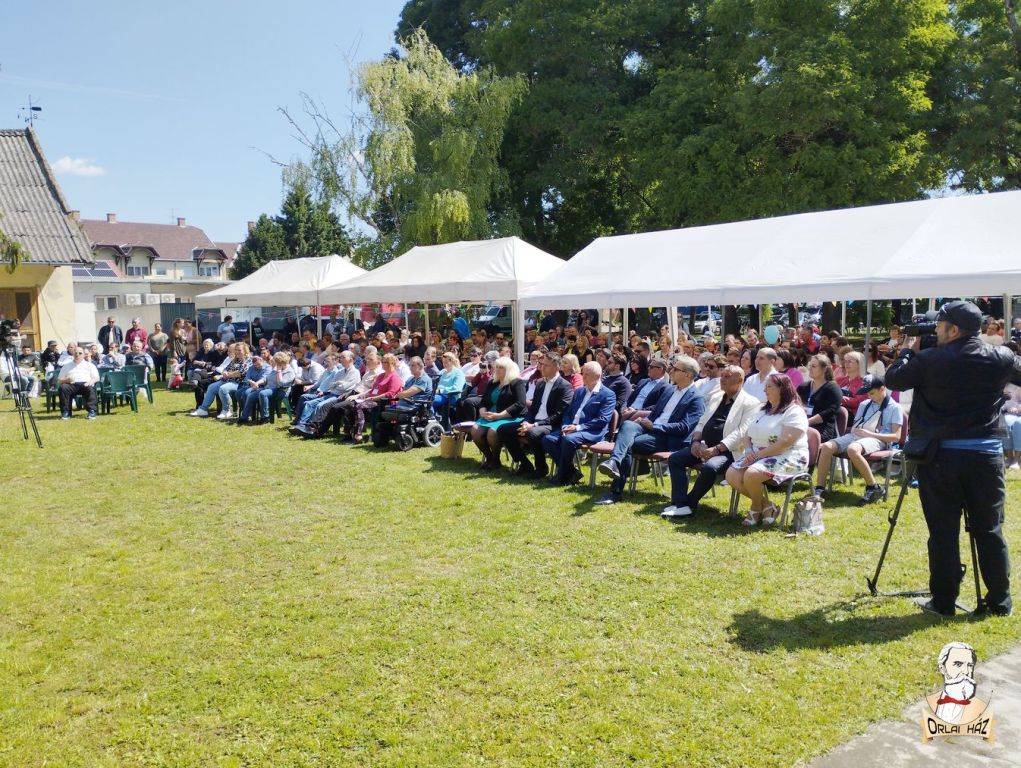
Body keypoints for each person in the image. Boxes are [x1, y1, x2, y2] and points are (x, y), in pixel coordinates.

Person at [886, 300, 1020, 618]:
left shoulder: (929, 359)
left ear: (954, 329)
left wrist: (908, 350)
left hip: (941, 457)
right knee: (990, 529)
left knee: (943, 532)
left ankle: (944, 601)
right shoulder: (1000, 356)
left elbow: (893, 379)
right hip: (985, 457)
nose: (935, 331)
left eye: (939, 326)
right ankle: (1000, 602)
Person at [594, 355, 705, 505]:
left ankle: (615, 490)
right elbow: (655, 414)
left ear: (688, 375)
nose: (671, 371)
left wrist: (655, 426)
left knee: (628, 445)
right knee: (628, 425)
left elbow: (684, 427)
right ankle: (614, 463)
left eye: (675, 369)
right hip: (650, 428)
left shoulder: (696, 398)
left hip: (667, 437)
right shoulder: (669, 390)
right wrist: (644, 421)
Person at [662, 365, 761, 518]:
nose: (722, 379)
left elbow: (742, 432)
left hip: (730, 451)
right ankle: (680, 503)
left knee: (710, 467)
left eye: (727, 377)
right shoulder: (717, 397)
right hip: (704, 446)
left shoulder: (751, 403)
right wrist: (696, 441)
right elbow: (702, 422)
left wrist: (716, 449)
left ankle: (690, 503)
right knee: (675, 459)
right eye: (722, 376)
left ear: (739, 380)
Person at [726, 373, 809, 527]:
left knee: (752, 474)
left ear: (782, 389)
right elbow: (746, 434)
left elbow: (785, 442)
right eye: (765, 387)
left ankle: (755, 508)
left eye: (769, 386)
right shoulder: (762, 410)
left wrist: (758, 455)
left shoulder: (794, 411)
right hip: (757, 454)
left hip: (788, 456)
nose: (765, 390)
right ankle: (768, 506)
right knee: (732, 474)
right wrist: (749, 452)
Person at [814, 377, 904, 505]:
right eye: (867, 393)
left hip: (879, 439)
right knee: (827, 447)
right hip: (858, 436)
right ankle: (820, 488)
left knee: (852, 449)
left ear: (882, 389)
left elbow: (896, 437)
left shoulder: (895, 408)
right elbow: (857, 427)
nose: (869, 396)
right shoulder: (864, 404)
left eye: (872, 393)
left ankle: (873, 487)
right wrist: (856, 432)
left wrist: (870, 434)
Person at [496, 352, 574, 477]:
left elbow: (559, 414)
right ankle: (525, 464)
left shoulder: (565, 386)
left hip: (551, 424)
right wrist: (526, 422)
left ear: (556, 367)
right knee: (503, 430)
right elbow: (533, 409)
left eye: (546, 365)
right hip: (534, 422)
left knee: (533, 433)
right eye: (541, 364)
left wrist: (534, 425)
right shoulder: (540, 383)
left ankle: (541, 468)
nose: (542, 368)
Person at [542, 361, 617, 486]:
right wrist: (565, 425)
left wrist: (577, 428)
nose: (583, 377)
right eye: (583, 373)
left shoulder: (608, 394)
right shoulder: (579, 391)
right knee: (548, 439)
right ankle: (572, 472)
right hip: (571, 428)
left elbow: (602, 420)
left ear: (598, 376)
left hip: (592, 431)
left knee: (568, 440)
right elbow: (568, 412)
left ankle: (561, 476)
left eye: (587, 374)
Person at [470, 358, 527, 470]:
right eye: (496, 367)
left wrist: (500, 415)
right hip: (491, 416)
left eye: (501, 367)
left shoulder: (517, 383)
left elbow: (520, 403)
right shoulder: (493, 383)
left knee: (492, 432)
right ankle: (490, 458)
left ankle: (496, 460)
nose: (497, 369)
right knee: (475, 430)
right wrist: (482, 411)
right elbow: (483, 401)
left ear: (509, 369)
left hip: (510, 417)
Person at [337, 353, 403, 442]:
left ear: (392, 363)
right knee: (350, 405)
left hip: (386, 403)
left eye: (386, 362)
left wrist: (373, 398)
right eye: (383, 362)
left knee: (359, 406)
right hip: (372, 400)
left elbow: (390, 394)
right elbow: (372, 390)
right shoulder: (381, 376)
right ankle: (348, 434)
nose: (383, 364)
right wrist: (359, 396)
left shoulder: (394, 377)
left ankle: (358, 434)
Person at [797, 354, 844, 443]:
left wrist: (806, 422)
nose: (810, 369)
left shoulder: (833, 389)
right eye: (810, 366)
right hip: (801, 425)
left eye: (814, 366)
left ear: (825, 369)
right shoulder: (803, 387)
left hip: (821, 429)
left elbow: (829, 412)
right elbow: (793, 404)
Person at [621, 357, 669, 421]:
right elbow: (630, 398)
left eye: (651, 367)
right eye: (649, 366)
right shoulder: (642, 381)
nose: (648, 368)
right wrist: (624, 407)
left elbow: (656, 407)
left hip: (640, 417)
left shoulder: (665, 388)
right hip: (627, 411)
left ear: (660, 369)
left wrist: (636, 412)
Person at [57, 347, 99, 419]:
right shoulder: (66, 366)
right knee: (63, 388)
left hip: (85, 384)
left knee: (90, 387)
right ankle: (66, 412)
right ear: (73, 354)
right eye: (75, 353)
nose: (77, 355)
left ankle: (92, 411)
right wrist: (66, 380)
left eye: (80, 353)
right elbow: (59, 380)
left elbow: (96, 378)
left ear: (84, 355)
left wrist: (91, 382)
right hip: (71, 385)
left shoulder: (90, 365)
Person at [434, 352, 466, 432]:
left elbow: (457, 388)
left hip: (451, 397)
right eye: (443, 362)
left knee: (431, 400)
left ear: (451, 361)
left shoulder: (458, 373)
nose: (444, 364)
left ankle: (433, 421)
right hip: (440, 396)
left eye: (446, 362)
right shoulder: (442, 372)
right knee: (426, 400)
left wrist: (441, 390)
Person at [600, 351, 633, 415]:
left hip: (608, 413)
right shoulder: (604, 379)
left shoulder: (624, 383)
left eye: (610, 362)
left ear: (617, 366)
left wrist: (601, 407)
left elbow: (620, 404)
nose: (607, 363)